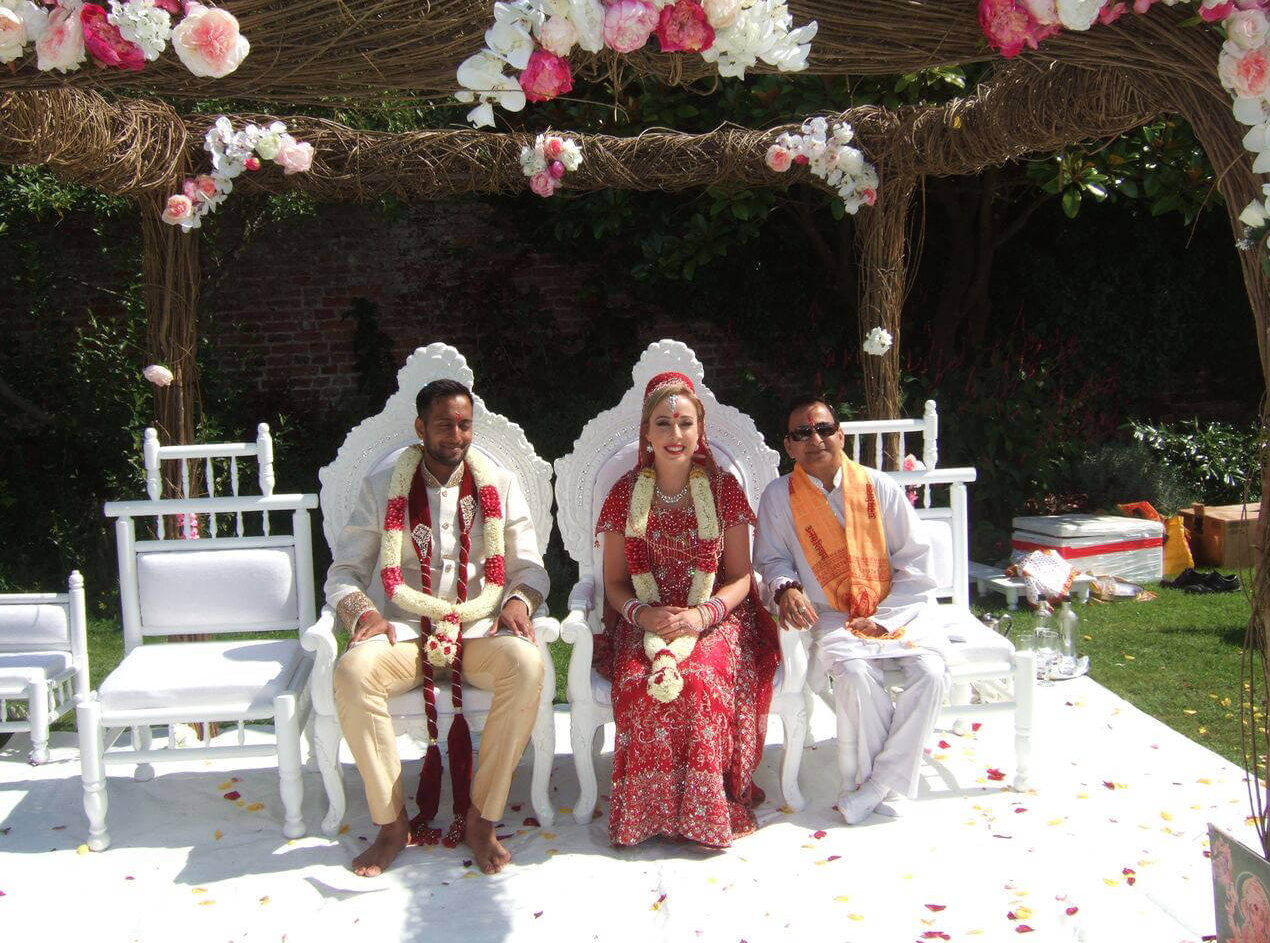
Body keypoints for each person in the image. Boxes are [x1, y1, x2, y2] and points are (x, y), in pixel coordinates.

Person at [325, 379, 550, 876]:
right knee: (352, 673)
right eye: (444, 424)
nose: (456, 434)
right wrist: (364, 612)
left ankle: (481, 819)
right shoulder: (385, 483)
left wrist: (516, 601)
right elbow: (344, 572)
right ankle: (391, 826)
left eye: (465, 424)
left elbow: (531, 568)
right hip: (406, 634)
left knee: (527, 665)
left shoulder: (499, 482)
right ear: (421, 427)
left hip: (478, 634)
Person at [594, 372, 779, 848]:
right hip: (646, 617)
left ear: (700, 431)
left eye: (684, 423)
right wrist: (639, 615)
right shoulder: (623, 495)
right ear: (647, 433)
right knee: (643, 684)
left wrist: (703, 615)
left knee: (697, 682)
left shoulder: (724, 491)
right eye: (663, 423)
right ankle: (647, 815)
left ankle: (703, 813)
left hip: (715, 617)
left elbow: (741, 577)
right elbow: (614, 583)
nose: (675, 435)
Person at [753, 396, 948, 825]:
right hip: (833, 615)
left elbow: (914, 562)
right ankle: (876, 784)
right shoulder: (777, 497)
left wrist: (882, 617)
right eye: (802, 433)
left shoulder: (881, 488)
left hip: (898, 608)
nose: (815, 440)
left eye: (823, 429)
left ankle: (874, 785)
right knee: (857, 675)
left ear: (840, 435)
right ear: (789, 445)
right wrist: (785, 589)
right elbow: (770, 561)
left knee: (932, 674)